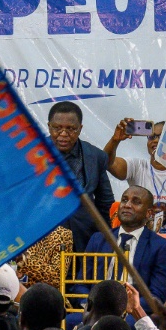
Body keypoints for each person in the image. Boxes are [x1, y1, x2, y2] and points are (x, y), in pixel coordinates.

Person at [70, 186, 166, 314]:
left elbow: (157, 296)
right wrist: (91, 306)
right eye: (124, 200)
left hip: (133, 314)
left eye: (136, 202)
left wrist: (127, 308)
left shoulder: (161, 246)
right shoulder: (98, 239)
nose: (127, 205)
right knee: (68, 322)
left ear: (149, 213)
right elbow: (80, 285)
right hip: (94, 311)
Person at [104, 119, 166, 237]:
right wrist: (115, 140)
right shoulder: (137, 167)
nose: (155, 140)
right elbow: (106, 162)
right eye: (151, 137)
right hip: (140, 244)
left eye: (161, 137)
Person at [48, 102, 114, 252]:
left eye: (70, 129)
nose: (63, 134)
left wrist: (107, 239)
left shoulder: (96, 156)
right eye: (57, 128)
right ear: (49, 126)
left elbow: (105, 203)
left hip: (84, 238)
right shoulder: (33, 154)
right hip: (44, 239)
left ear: (80, 129)